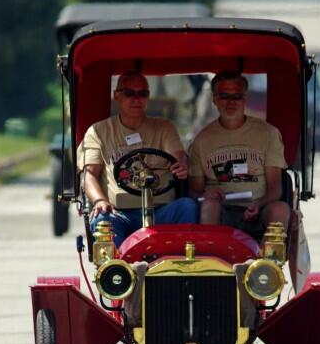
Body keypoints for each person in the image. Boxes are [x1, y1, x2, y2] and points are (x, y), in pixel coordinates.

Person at [77, 71, 197, 247]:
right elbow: (89, 175)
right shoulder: (99, 132)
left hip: (161, 210)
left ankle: (181, 263)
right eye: (129, 93)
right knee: (102, 219)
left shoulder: (164, 128)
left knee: (188, 206)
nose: (136, 99)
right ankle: (117, 270)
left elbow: (178, 155)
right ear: (117, 96)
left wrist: (182, 164)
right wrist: (100, 200)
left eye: (142, 94)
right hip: (120, 213)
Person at [188, 71, 290, 238]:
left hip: (259, 209)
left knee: (280, 209)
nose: (231, 102)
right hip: (221, 210)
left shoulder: (268, 134)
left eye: (236, 96)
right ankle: (210, 256)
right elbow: (194, 191)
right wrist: (207, 194)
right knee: (208, 206)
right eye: (224, 96)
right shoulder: (201, 140)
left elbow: (275, 188)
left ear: (245, 98)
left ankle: (267, 261)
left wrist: (259, 204)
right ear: (214, 99)